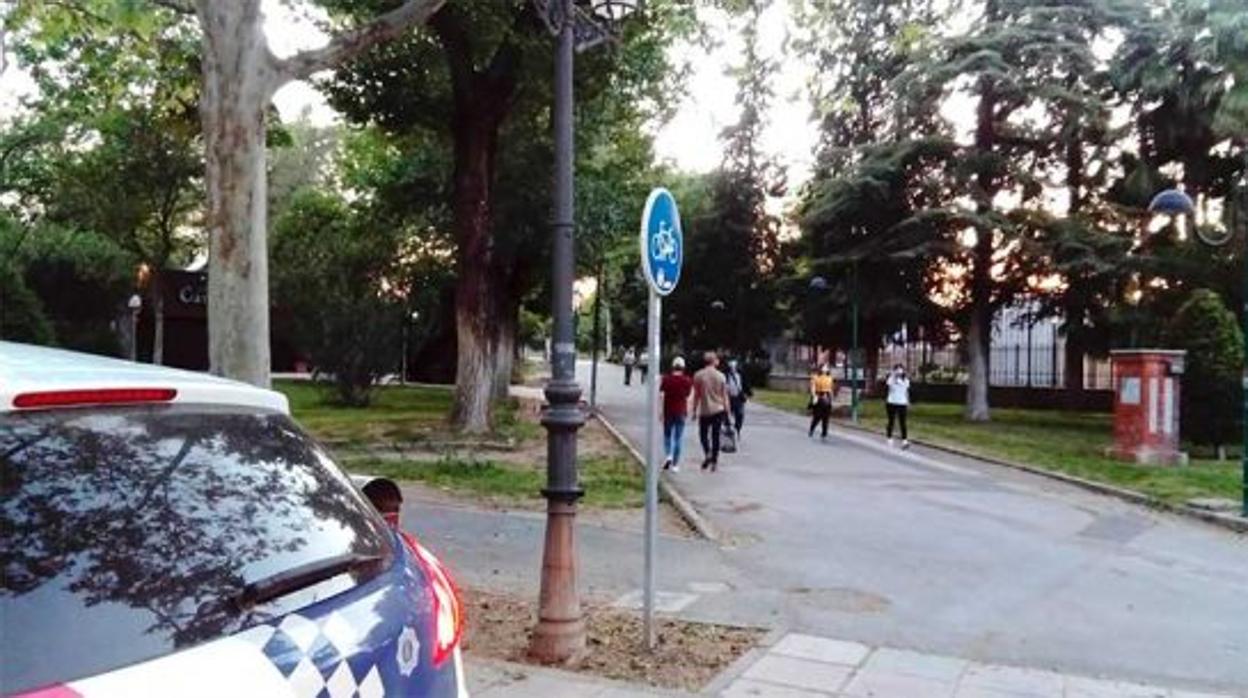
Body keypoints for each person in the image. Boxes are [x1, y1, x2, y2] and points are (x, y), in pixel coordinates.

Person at [692, 352, 730, 471]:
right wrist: (727, 411)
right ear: (714, 361)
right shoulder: (721, 376)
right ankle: (714, 462)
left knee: (703, 434)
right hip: (718, 410)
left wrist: (694, 410)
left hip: (704, 410)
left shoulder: (698, 375)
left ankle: (707, 452)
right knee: (715, 436)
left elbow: (696, 395)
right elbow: (725, 396)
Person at [659, 356, 694, 472]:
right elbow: (689, 397)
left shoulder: (666, 379)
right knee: (678, 438)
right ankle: (675, 464)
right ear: (683, 367)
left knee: (667, 436)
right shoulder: (687, 380)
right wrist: (688, 410)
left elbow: (661, 396)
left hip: (668, 411)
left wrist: (660, 411)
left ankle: (668, 454)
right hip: (681, 412)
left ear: (672, 367)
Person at [723, 358, 752, 441]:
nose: (733, 369)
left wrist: (749, 393)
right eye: (731, 367)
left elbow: (746, 384)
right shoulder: (725, 375)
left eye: (734, 367)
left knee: (740, 414)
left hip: (738, 398)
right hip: (728, 398)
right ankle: (728, 430)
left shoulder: (741, 375)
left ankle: (737, 429)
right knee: (726, 415)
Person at [886, 363, 911, 449]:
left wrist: (908, 402)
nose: (899, 371)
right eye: (897, 369)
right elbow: (890, 389)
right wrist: (894, 376)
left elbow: (906, 391)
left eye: (901, 369)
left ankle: (904, 440)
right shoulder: (891, 379)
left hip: (902, 403)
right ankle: (889, 438)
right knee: (891, 421)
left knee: (903, 422)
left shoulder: (906, 380)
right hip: (892, 402)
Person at [809, 364, 834, 439]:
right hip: (819, 395)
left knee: (826, 417)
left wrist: (831, 398)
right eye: (824, 367)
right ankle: (812, 429)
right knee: (817, 416)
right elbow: (813, 387)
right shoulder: (815, 377)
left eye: (827, 367)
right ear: (820, 368)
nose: (826, 368)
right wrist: (814, 396)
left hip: (827, 396)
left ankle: (824, 433)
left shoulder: (830, 377)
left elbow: (830, 388)